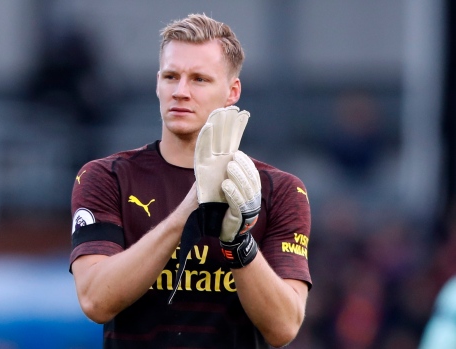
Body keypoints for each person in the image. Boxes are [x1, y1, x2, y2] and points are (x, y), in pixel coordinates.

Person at [69, 13, 311, 348]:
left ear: (232, 91)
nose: (180, 91)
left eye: (199, 79)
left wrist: (238, 243)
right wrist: (188, 212)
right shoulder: (106, 177)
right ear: (157, 83)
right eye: (171, 76)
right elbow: (95, 300)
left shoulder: (281, 190)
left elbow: (284, 327)